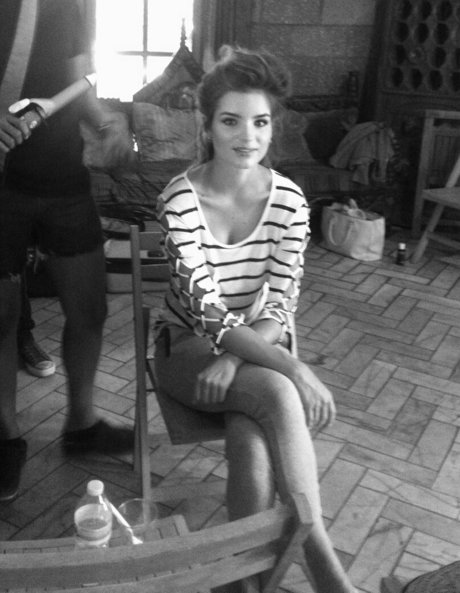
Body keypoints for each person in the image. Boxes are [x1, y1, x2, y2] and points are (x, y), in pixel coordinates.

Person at [153, 45, 357, 593]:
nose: (247, 136)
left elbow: (281, 304)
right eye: (231, 121)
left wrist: (235, 356)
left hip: (248, 350)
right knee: (280, 388)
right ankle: (326, 571)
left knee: (252, 435)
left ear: (273, 127)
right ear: (207, 126)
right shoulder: (178, 202)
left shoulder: (289, 201)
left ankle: (241, 582)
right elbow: (207, 315)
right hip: (186, 351)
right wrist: (296, 367)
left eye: (260, 122)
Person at [0, 0, 134, 502]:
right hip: (2, 185)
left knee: (90, 309)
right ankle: (5, 437)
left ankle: (81, 425)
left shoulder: (66, 5)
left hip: (65, 180)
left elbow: (78, 82)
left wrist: (105, 121)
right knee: (1, 318)